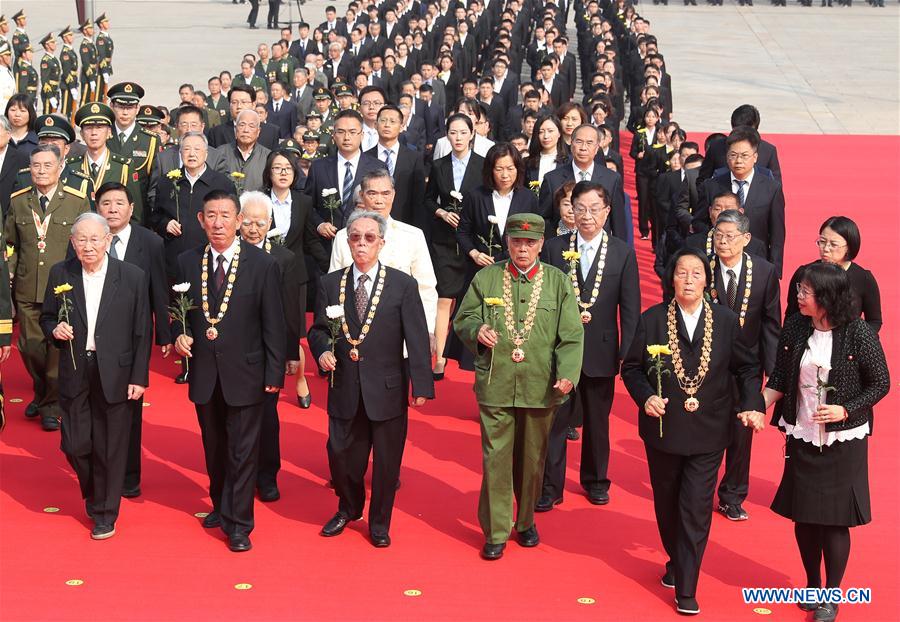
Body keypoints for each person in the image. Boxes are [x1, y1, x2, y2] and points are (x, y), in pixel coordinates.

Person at [621, 247, 766, 615]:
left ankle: (687, 586)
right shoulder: (653, 319)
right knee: (668, 504)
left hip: (710, 430)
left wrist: (752, 403)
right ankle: (676, 559)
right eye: (682, 273)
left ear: (707, 281)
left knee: (696, 507)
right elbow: (632, 368)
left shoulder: (726, 321)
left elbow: (747, 368)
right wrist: (645, 397)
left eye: (696, 273)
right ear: (671, 279)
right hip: (664, 429)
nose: (688, 280)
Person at [763, 262, 889, 622]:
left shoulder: (858, 332)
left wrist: (844, 410)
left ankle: (832, 595)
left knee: (834, 521)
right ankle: (813, 584)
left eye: (806, 291)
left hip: (843, 441)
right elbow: (780, 376)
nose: (799, 296)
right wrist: (756, 406)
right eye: (799, 289)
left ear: (828, 297)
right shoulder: (795, 326)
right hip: (803, 434)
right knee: (804, 518)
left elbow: (880, 383)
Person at [454, 212, 583, 560]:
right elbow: (463, 318)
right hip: (496, 382)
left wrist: (568, 374)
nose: (522, 249)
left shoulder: (557, 281)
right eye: (516, 242)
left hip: (541, 385)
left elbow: (572, 335)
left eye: (530, 243)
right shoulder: (486, 277)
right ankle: (496, 530)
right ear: (507, 243)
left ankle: (525, 521)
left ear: (541, 245)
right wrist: (478, 330)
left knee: (532, 460)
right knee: (496, 458)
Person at [308, 210, 434, 548]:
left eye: (369, 238)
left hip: (388, 387)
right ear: (347, 242)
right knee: (341, 456)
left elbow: (416, 336)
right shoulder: (330, 284)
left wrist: (421, 384)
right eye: (355, 237)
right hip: (344, 385)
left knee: (387, 464)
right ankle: (349, 508)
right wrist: (322, 351)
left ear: (381, 243)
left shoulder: (402, 284)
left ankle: (379, 522)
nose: (361, 244)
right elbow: (318, 330)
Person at [173, 190, 286, 553]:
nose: (218, 223)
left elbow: (274, 324)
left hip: (248, 373)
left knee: (242, 450)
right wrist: (178, 335)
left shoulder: (262, 264)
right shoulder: (187, 261)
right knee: (214, 446)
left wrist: (274, 375)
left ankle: (239, 523)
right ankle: (221, 504)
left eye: (225, 215)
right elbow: (178, 311)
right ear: (201, 220)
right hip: (206, 372)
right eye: (211, 215)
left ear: (238, 221)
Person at [39, 212, 152, 540]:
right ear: (72, 242)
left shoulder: (131, 277)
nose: (88, 246)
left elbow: (142, 331)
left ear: (107, 241)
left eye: (94, 239)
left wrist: (139, 377)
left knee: (110, 446)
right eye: (81, 240)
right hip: (76, 367)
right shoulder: (61, 272)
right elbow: (47, 317)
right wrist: (54, 329)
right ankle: (94, 491)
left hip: (117, 370)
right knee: (74, 444)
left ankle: (105, 512)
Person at [538, 182, 640, 510]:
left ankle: (596, 481)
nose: (586, 215)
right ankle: (549, 486)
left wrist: (628, 354)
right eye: (579, 208)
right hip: (559, 350)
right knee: (555, 421)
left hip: (602, 350)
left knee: (597, 422)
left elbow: (631, 308)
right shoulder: (554, 248)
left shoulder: (622, 252)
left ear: (607, 212)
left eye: (594, 209)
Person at [94, 182, 172, 498]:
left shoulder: (150, 242)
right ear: (97, 208)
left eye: (119, 203)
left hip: (132, 336)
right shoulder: (88, 238)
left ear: (131, 208)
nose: (112, 209)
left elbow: (159, 289)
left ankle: (129, 475)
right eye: (106, 203)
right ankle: (99, 469)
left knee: (129, 407)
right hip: (93, 336)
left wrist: (165, 333)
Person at [6, 144, 90, 430]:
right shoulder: (19, 201)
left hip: (62, 288)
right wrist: (10, 272)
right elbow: (10, 243)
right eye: (36, 165)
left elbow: (84, 243)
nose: (41, 171)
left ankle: (50, 406)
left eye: (47, 165)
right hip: (27, 285)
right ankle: (44, 393)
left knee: (56, 350)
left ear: (60, 167)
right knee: (30, 347)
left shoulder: (76, 201)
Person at [707, 210, 781, 521]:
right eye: (718, 235)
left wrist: (773, 374)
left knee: (742, 432)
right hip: (707, 364)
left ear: (746, 239)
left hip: (748, 366)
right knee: (708, 429)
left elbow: (771, 325)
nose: (723, 242)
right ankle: (701, 489)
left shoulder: (764, 272)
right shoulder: (702, 268)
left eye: (730, 236)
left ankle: (732, 495)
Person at [238, 191, 301, 501]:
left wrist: (290, 353)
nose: (253, 229)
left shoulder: (283, 258)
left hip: (267, 353)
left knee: (266, 417)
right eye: (248, 222)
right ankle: (240, 474)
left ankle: (267, 475)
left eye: (260, 223)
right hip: (235, 351)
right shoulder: (228, 253)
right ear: (238, 221)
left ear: (270, 222)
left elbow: (290, 309)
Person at [329, 168, 437, 345]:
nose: (379, 200)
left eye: (385, 193)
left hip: (400, 333)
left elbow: (426, 288)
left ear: (393, 195)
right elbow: (334, 286)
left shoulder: (413, 236)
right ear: (362, 196)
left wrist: (427, 330)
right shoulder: (343, 237)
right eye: (372, 193)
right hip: (354, 334)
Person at [262, 149, 329, 405]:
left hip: (295, 277)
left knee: (294, 330)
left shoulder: (303, 202)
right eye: (277, 168)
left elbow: (310, 240)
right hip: (263, 274)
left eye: (288, 168)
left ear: (295, 173)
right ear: (269, 172)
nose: (282, 172)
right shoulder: (258, 200)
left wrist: (330, 267)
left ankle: (300, 379)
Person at [426, 114, 485, 380]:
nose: (458, 138)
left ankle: (469, 356)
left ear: (472, 134)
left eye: (463, 132)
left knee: (469, 300)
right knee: (443, 298)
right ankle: (439, 358)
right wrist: (441, 212)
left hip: (473, 241)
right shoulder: (438, 165)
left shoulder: (483, 165)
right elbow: (428, 199)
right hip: (445, 242)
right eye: (453, 132)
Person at [692, 126, 786, 277]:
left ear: (755, 157)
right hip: (719, 262)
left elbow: (777, 235)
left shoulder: (771, 189)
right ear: (727, 157)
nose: (738, 161)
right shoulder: (712, 186)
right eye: (733, 155)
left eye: (744, 155)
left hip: (757, 261)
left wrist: (775, 271)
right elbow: (698, 222)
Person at [785, 216, 881, 334]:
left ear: (849, 247)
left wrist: (861, 340)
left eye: (833, 244)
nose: (826, 249)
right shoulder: (804, 273)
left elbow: (874, 320)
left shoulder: (863, 278)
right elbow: (791, 314)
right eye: (822, 242)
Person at [303, 109, 386, 236]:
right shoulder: (318, 167)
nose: (347, 137)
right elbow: (308, 205)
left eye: (352, 132)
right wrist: (319, 224)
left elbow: (383, 206)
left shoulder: (377, 167)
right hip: (327, 241)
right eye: (341, 132)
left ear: (362, 135)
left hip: (365, 239)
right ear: (333, 135)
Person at [456, 143, 540, 269]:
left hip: (518, 267)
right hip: (482, 267)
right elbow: (462, 232)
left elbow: (535, 235)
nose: (505, 175)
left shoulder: (529, 198)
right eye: (499, 169)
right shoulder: (475, 196)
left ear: (518, 169)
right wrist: (474, 253)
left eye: (510, 169)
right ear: (490, 170)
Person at [539, 125, 627, 242]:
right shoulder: (552, 179)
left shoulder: (612, 179)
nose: (583, 148)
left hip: (600, 246)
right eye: (579, 142)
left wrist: (619, 250)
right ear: (571, 144)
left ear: (597, 148)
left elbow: (618, 223)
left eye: (589, 143)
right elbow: (544, 220)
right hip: (563, 245)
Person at [365, 103, 425, 230]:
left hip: (405, 224)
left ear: (402, 126)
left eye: (392, 121)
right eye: (383, 120)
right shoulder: (365, 157)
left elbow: (418, 200)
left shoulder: (414, 158)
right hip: (371, 224)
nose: (387, 125)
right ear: (375, 125)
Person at [222, 109, 271, 194]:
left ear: (258, 131)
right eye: (242, 125)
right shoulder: (220, 153)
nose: (246, 130)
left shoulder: (268, 156)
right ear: (235, 129)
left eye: (251, 126)